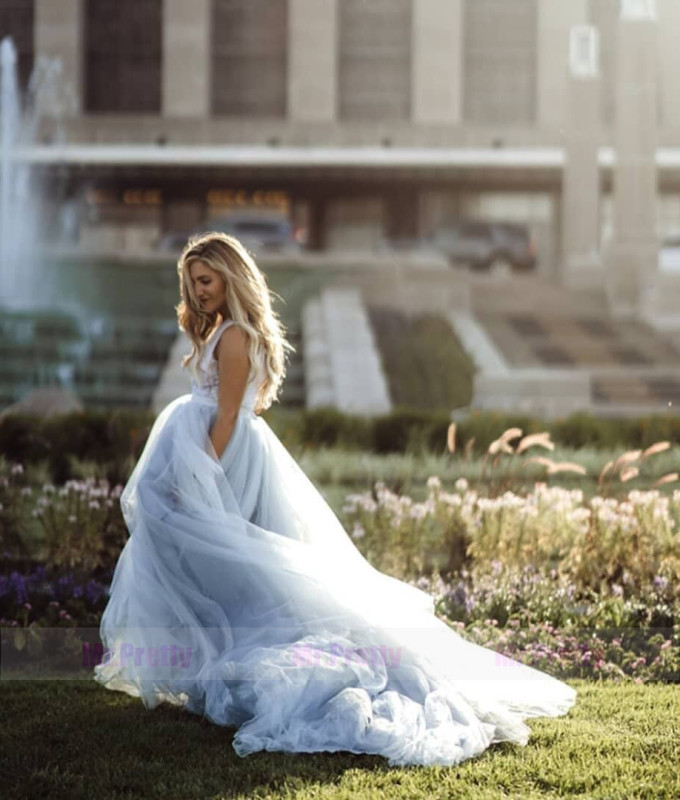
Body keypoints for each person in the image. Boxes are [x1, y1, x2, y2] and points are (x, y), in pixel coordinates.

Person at [94, 232, 576, 767]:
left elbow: (228, 415)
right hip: (214, 448)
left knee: (239, 562)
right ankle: (215, 666)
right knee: (224, 564)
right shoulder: (221, 332)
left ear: (231, 277)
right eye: (191, 283)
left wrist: (201, 473)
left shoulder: (233, 337)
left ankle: (245, 666)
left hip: (222, 454)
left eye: (205, 281)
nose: (198, 291)